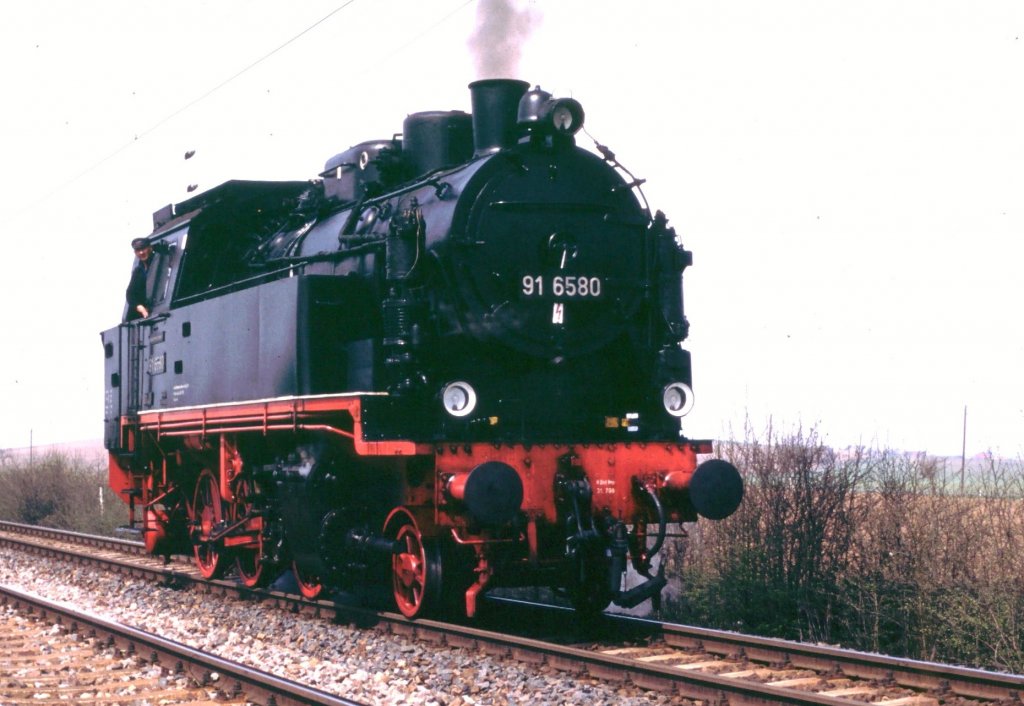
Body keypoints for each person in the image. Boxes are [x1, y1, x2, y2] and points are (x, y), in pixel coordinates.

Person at [126, 237, 154, 321]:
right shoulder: (138, 271)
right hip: (144, 313)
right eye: (138, 250)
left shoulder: (158, 264)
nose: (141, 252)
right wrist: (140, 307)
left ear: (150, 248)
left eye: (143, 249)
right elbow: (130, 294)